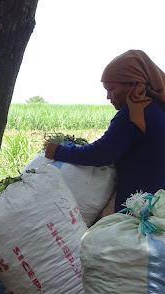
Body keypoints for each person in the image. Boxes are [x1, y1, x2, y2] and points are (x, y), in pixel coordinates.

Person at [44, 50, 165, 213]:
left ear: (132, 84)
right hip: (158, 201)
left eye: (111, 89)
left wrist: (59, 151)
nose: (108, 96)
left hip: (140, 207)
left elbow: (101, 153)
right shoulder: (155, 108)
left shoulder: (134, 112)